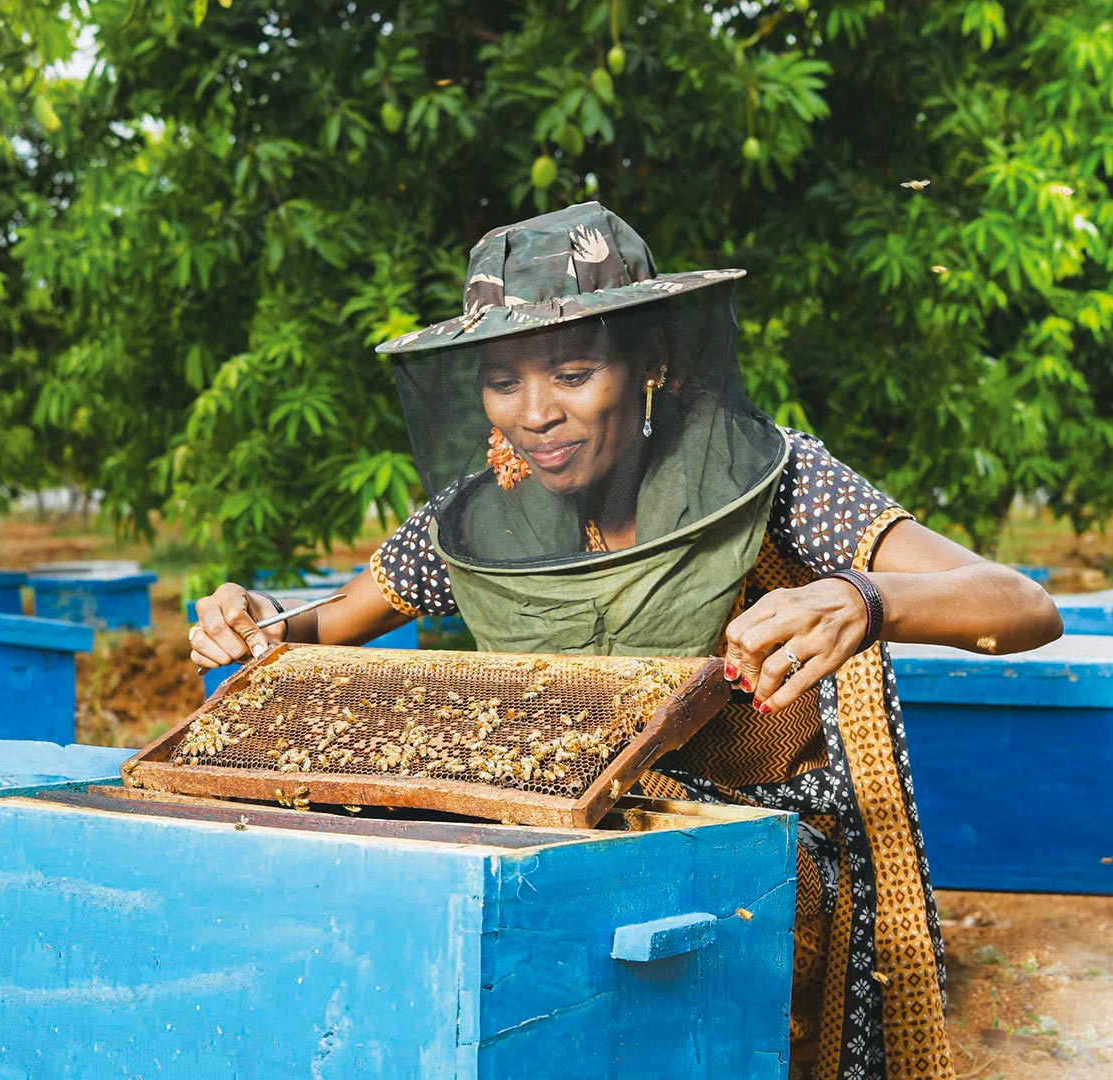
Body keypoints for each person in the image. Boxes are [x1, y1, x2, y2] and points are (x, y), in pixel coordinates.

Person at [189, 202, 1062, 1079]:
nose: (535, 414)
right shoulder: (484, 512)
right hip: (577, 850)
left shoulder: (766, 475)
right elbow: (320, 626)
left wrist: (861, 600)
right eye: (503, 381)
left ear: (649, 361)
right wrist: (250, 615)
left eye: (572, 372)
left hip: (762, 865)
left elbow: (1021, 605)